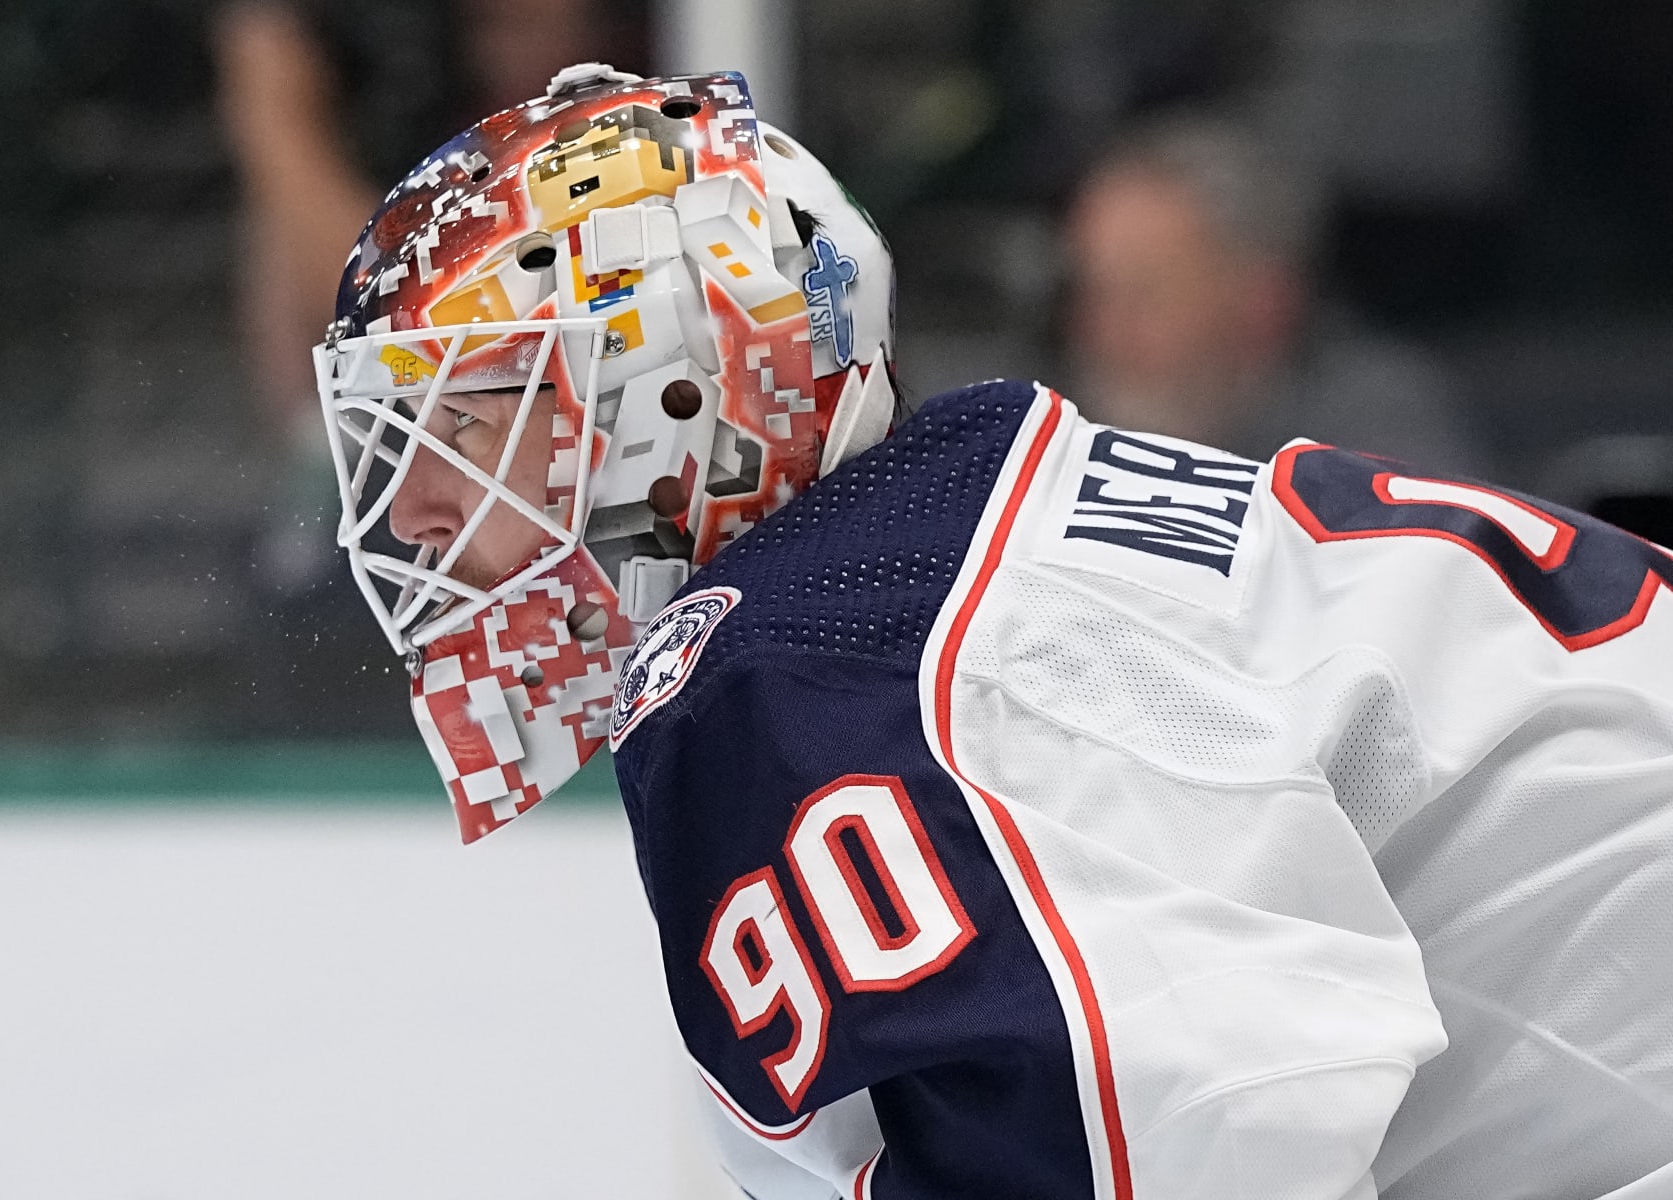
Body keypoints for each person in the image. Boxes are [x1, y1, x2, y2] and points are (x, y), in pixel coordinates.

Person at [312, 66, 1673, 1199]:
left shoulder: (824, 666)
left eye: (468, 422)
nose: (418, 508)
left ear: (664, 397)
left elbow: (1231, 1125)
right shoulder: (938, 571)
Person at [1064, 113, 1493, 479]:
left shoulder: (1375, 449)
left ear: (1264, 301)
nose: (1103, 332)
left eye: (1146, 297)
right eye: (1094, 292)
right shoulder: (1043, 415)